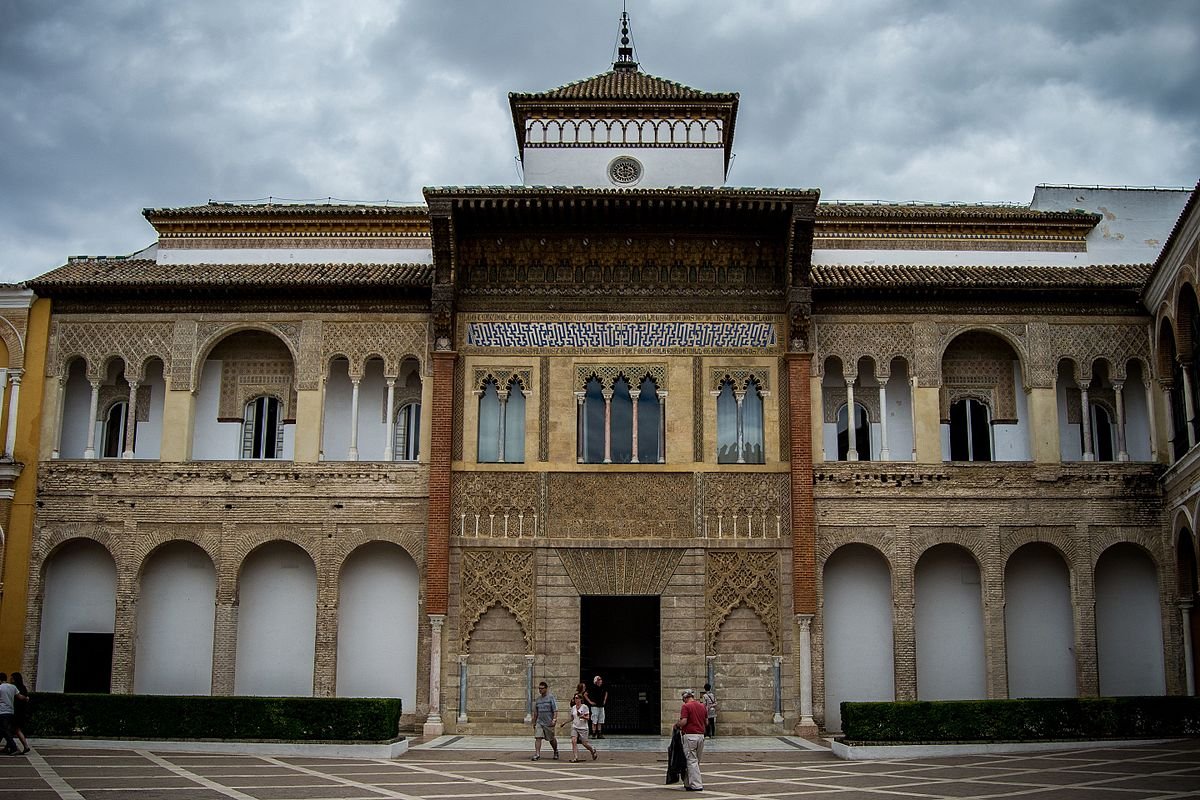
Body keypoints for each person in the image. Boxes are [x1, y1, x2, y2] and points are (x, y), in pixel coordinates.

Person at [674, 689, 706, 791]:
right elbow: (707, 722)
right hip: (701, 736)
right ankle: (688, 782)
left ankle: (697, 785)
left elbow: (684, 721)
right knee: (695, 760)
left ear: (685, 697)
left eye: (683, 699)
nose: (683, 701)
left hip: (690, 736)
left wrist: (676, 725)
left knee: (691, 760)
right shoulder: (702, 706)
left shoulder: (686, 706)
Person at [558, 693, 597, 762]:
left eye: (577, 698)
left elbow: (588, 717)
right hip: (575, 726)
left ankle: (592, 750)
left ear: (580, 699)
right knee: (574, 741)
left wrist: (582, 716)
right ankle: (575, 757)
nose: (575, 699)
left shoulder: (584, 707)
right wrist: (564, 722)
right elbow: (572, 718)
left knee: (584, 743)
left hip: (583, 727)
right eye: (575, 698)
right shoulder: (573, 708)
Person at [530, 681, 559, 761]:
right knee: (538, 737)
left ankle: (555, 751)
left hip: (548, 722)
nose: (540, 690)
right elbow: (536, 712)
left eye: (542, 688)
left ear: (546, 689)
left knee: (551, 739)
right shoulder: (538, 699)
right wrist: (534, 722)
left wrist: (554, 719)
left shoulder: (551, 698)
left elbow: (555, 710)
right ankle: (537, 754)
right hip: (540, 722)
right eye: (539, 688)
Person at [0, 674, 26, 756]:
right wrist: (26, 698)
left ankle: (14, 748)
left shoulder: (0, 688)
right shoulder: (12, 687)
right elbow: (20, 697)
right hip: (10, 712)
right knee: (3, 730)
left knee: (4, 730)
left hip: (2, 711)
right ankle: (10, 747)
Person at [10, 673, 29, 754]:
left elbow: (19, 697)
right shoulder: (23, 688)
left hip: (16, 712)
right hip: (21, 711)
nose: (10, 680)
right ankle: (9, 746)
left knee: (16, 729)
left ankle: (25, 746)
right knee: (11, 730)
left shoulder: (15, 688)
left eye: (11, 678)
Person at [586, 675, 608, 739]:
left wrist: (604, 700)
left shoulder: (603, 687)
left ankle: (599, 733)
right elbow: (585, 694)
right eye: (599, 680)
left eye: (600, 679)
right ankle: (593, 733)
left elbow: (606, 692)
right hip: (594, 706)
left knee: (600, 720)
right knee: (594, 719)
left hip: (601, 706)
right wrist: (590, 702)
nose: (600, 681)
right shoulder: (592, 687)